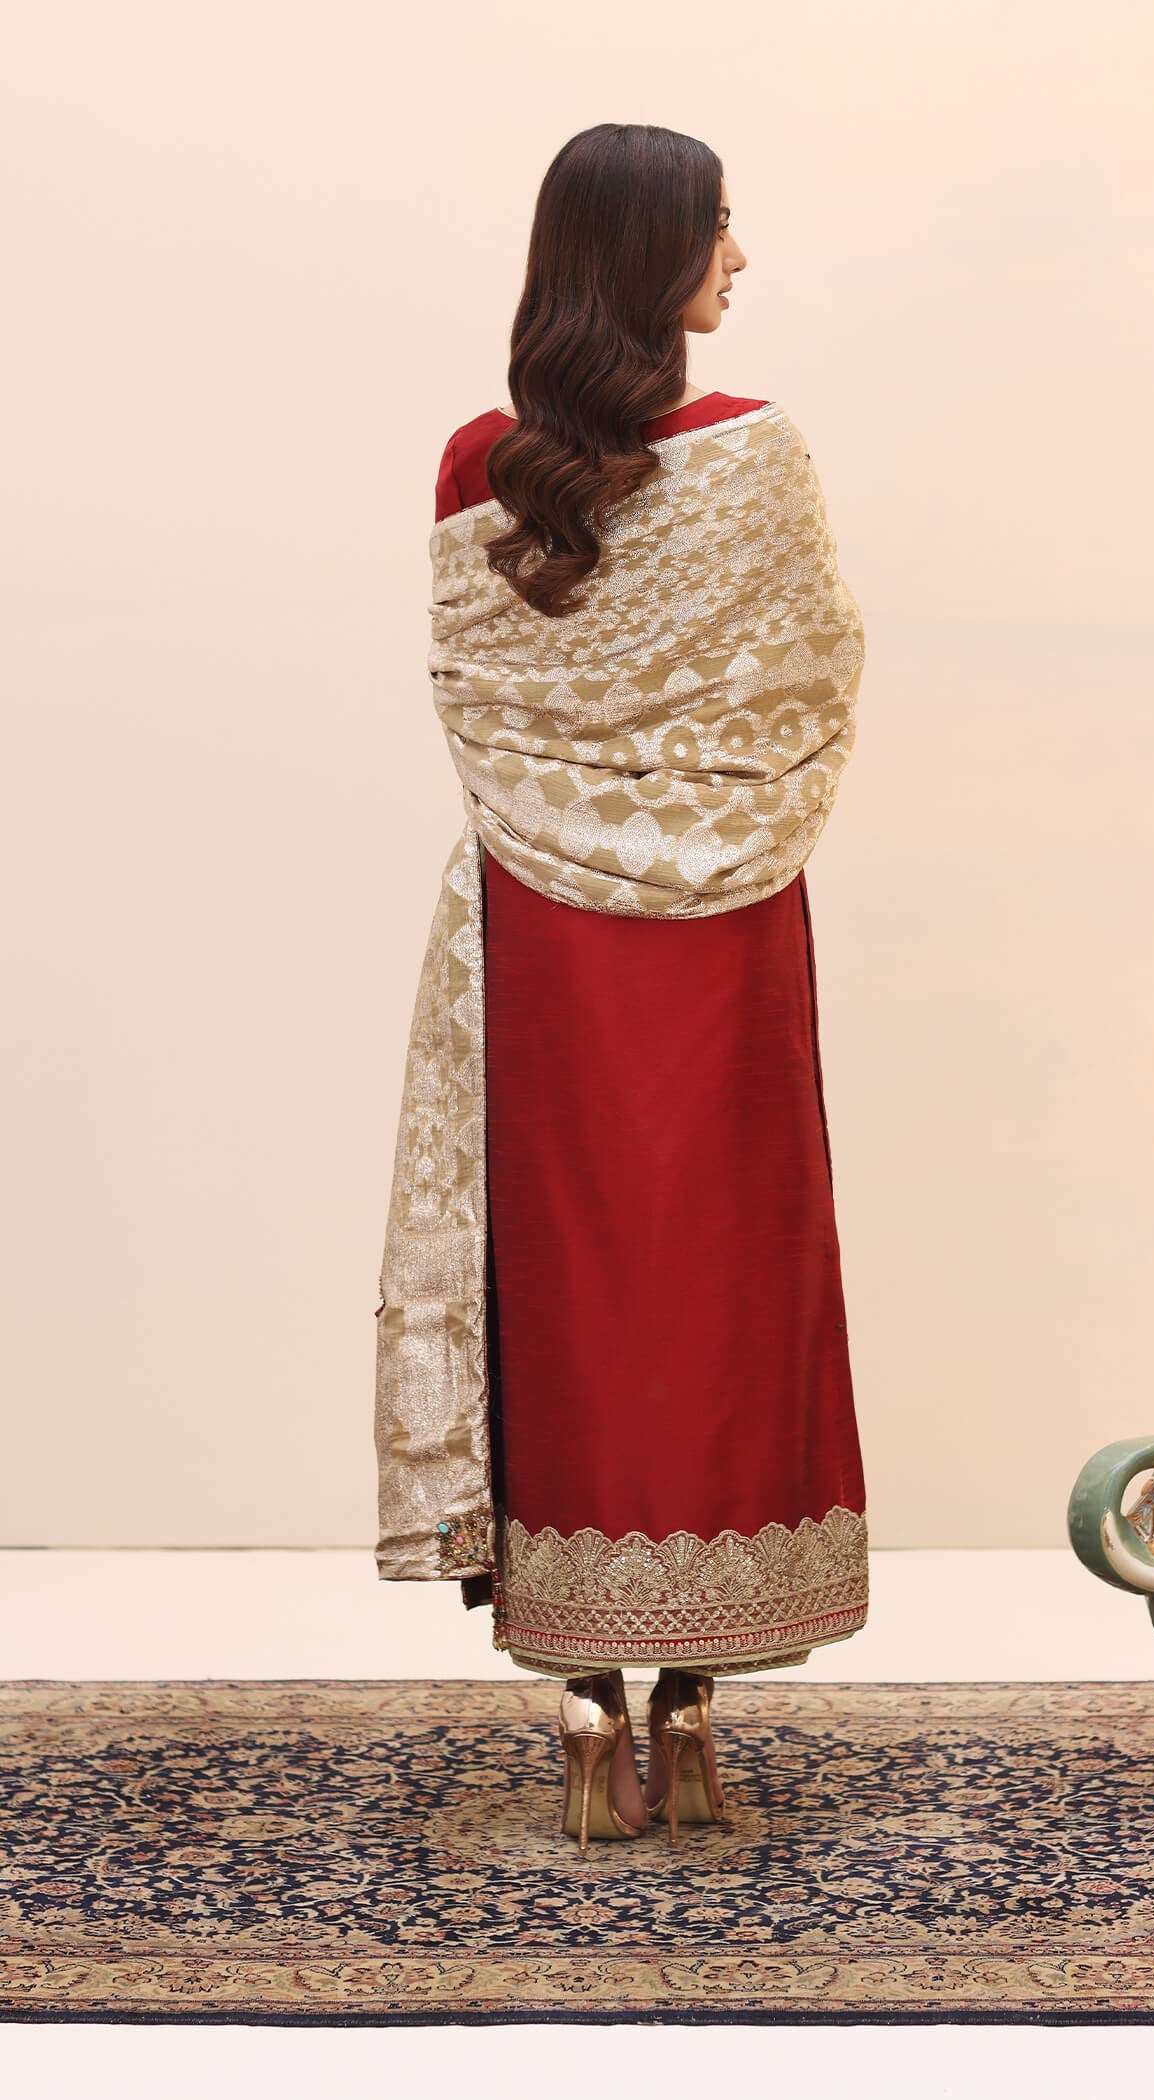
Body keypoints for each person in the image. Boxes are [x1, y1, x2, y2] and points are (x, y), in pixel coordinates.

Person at [373, 122, 869, 1852]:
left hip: (545, 931)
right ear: (651, 255)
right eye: (724, 232)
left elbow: (478, 711)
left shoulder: (475, 468)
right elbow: (804, 699)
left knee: (578, 1270)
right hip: (722, 935)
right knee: (720, 1277)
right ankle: (696, 1715)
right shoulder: (760, 457)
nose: (744, 260)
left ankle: (589, 1720)